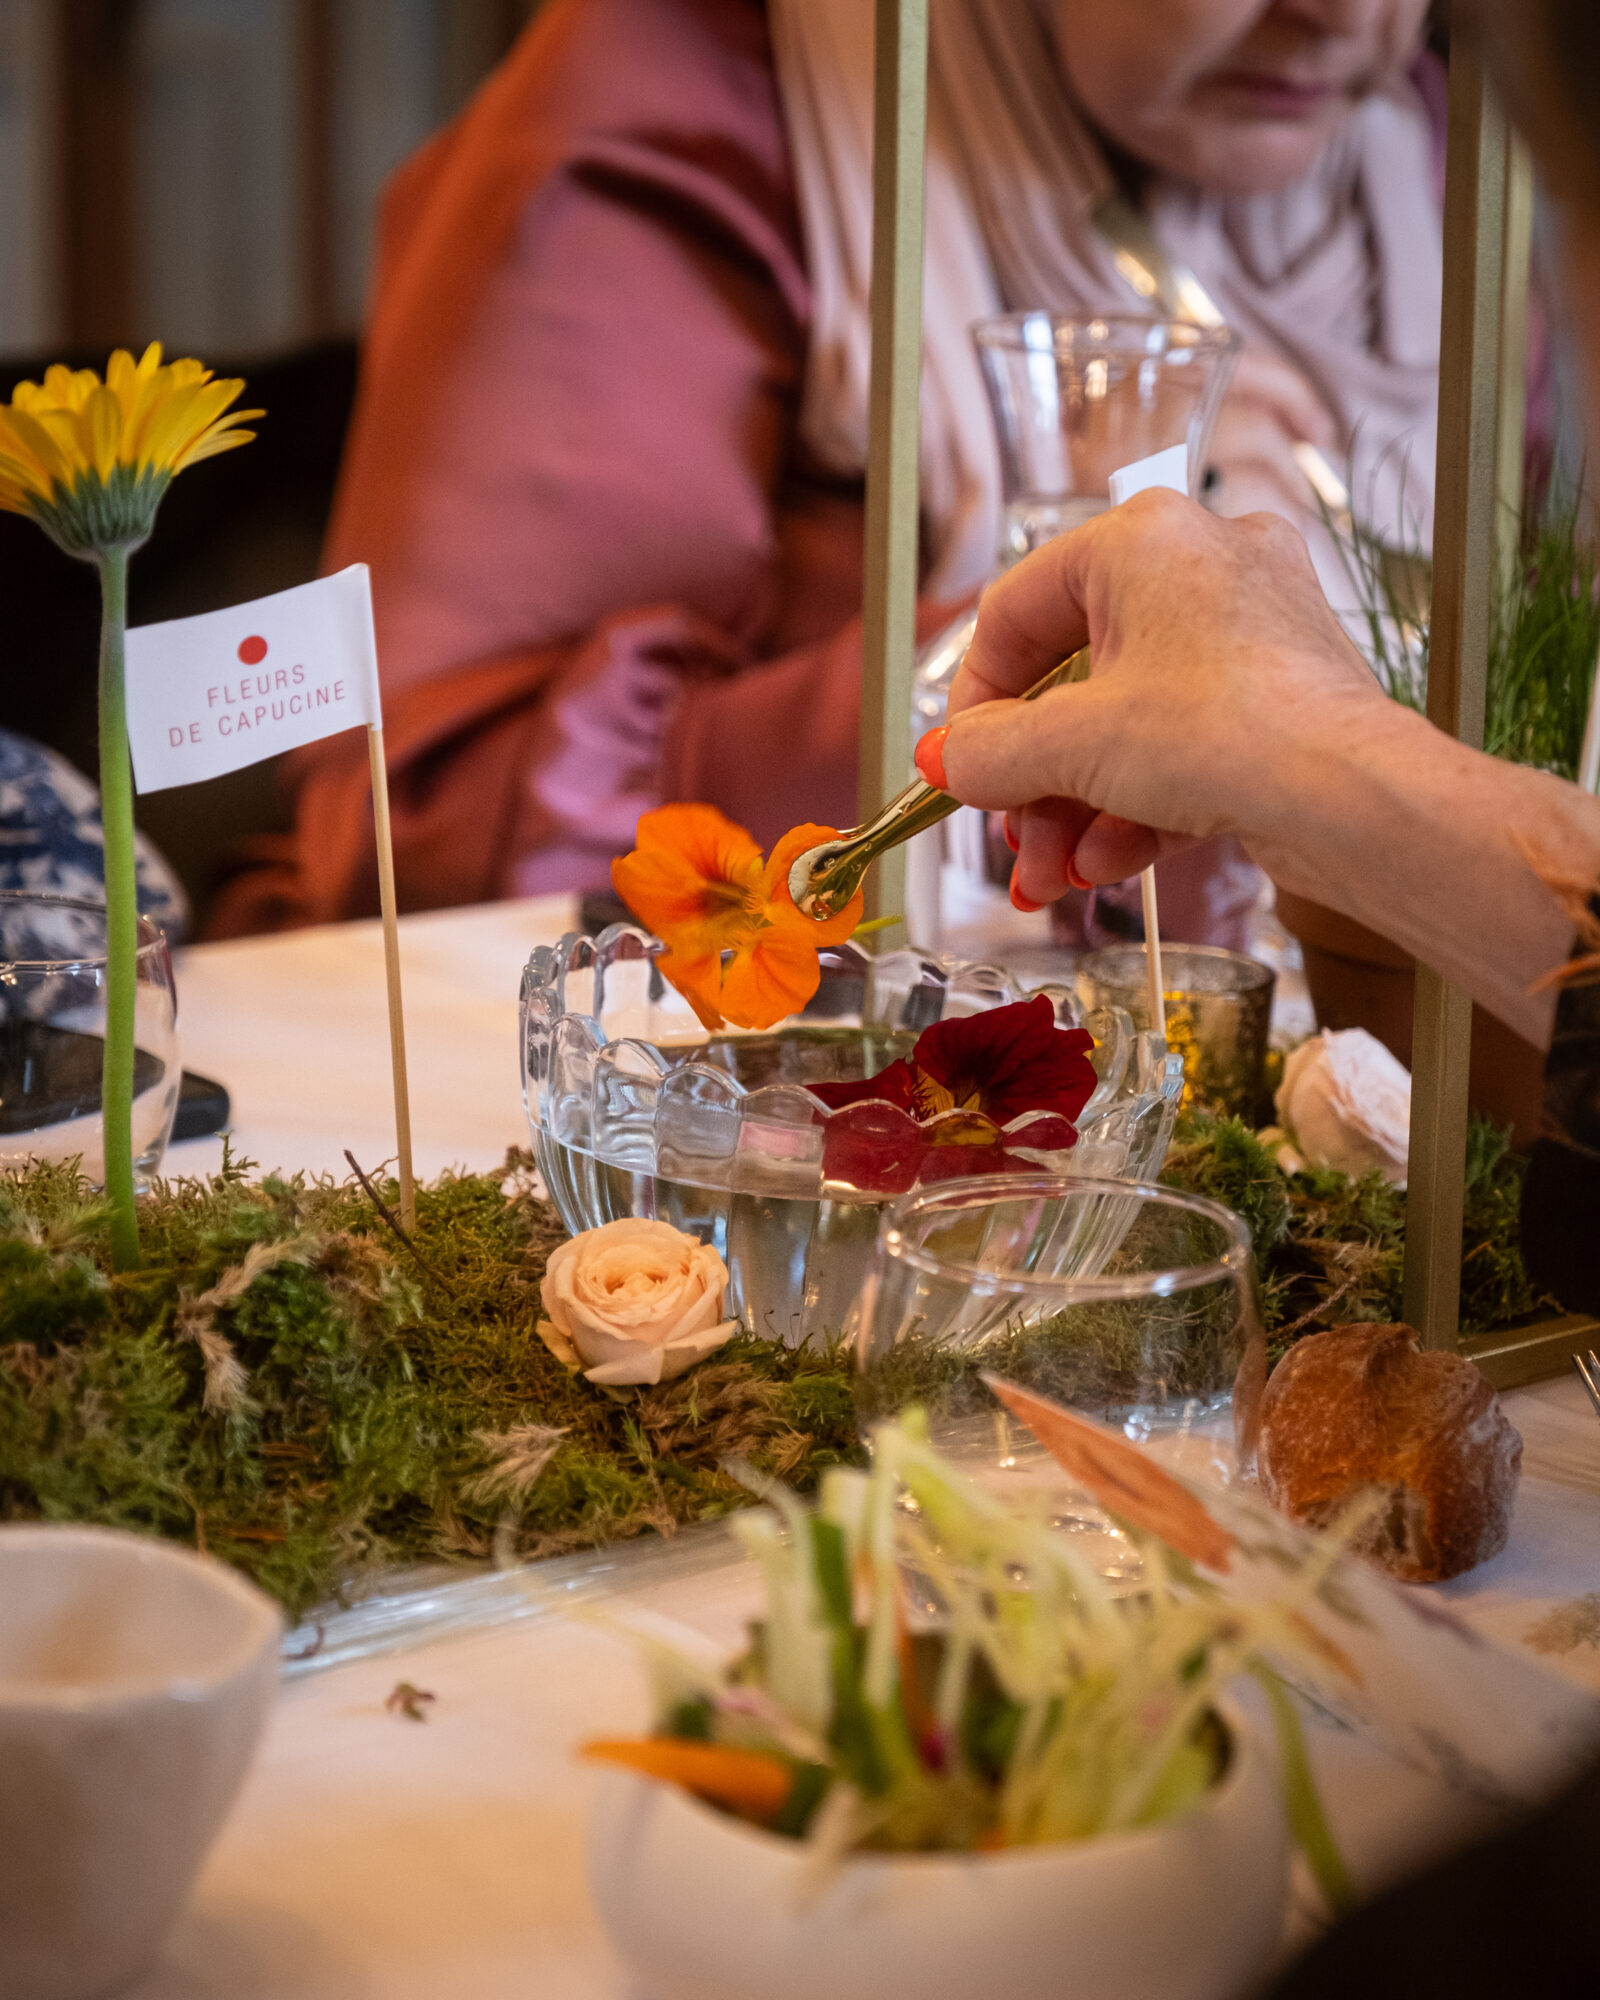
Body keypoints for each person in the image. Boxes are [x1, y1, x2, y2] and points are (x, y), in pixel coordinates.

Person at [214, 0, 1448, 939]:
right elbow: (433, 834)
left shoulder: (1422, 170)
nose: (1342, 17)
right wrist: (1053, 636)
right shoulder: (683, 108)